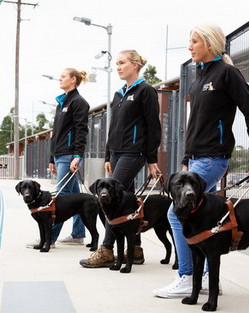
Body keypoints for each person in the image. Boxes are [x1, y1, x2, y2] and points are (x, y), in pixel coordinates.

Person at [153, 24, 249, 298]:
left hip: (213, 157)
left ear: (211, 44)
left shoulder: (227, 73)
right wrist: (185, 160)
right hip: (196, 159)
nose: (189, 46)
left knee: (175, 213)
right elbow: (195, 124)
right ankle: (203, 279)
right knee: (202, 218)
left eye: (194, 41)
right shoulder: (199, 77)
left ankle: (187, 275)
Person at [79, 50, 162, 268]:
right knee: (129, 202)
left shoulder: (146, 91)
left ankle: (106, 250)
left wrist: (152, 159)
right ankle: (134, 250)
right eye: (116, 63)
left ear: (135, 65)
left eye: (122, 63)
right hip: (116, 153)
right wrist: (108, 153)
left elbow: (154, 126)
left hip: (134, 153)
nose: (118, 67)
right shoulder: (119, 94)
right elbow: (114, 127)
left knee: (111, 200)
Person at [48, 68, 90, 246]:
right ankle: (78, 235)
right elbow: (55, 133)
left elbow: (82, 131)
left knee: (60, 196)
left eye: (63, 76)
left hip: (69, 155)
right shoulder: (61, 103)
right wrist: (51, 158)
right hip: (59, 154)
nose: (60, 78)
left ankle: (49, 238)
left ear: (73, 80)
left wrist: (77, 156)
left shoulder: (79, 102)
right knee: (75, 196)